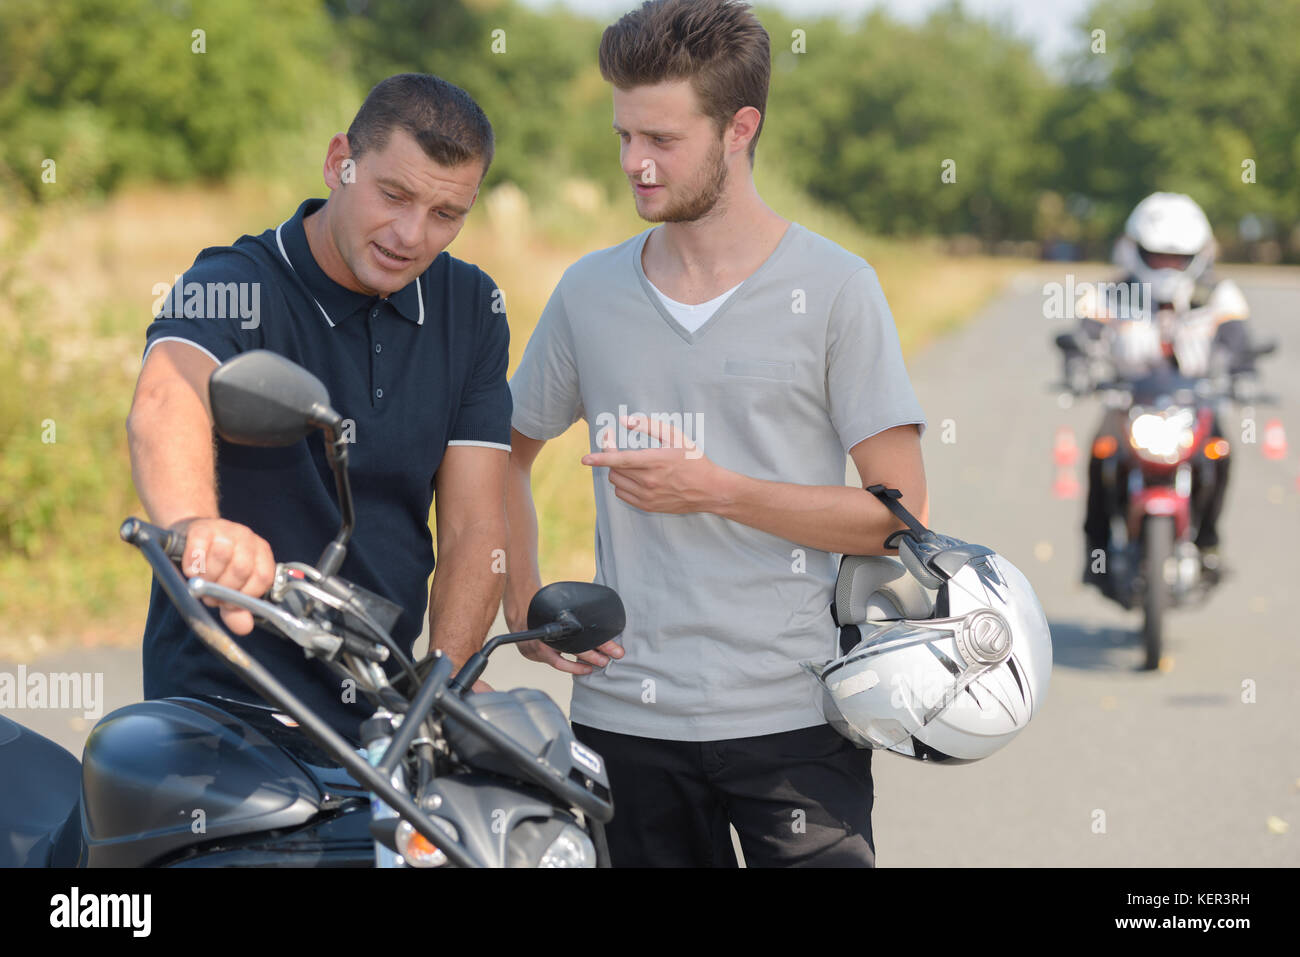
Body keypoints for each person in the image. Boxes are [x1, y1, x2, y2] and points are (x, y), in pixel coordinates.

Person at [504, 0, 928, 867]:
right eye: (623, 136)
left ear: (740, 128)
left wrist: (717, 491)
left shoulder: (839, 288)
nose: (635, 163)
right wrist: (525, 597)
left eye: (661, 139)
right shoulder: (589, 294)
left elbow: (900, 515)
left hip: (798, 723)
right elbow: (504, 457)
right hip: (623, 724)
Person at [126, 74, 511, 743]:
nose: (411, 234)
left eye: (447, 214)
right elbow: (167, 397)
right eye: (394, 195)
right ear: (341, 163)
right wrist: (197, 526)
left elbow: (476, 524)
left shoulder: (472, 308)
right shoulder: (233, 281)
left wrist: (442, 683)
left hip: (383, 718)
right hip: (223, 702)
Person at [1075, 192, 1254, 586]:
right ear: (1136, 250)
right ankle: (1097, 551)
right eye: (1158, 256)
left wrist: (1244, 371)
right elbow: (1084, 334)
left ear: (1197, 255)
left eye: (1177, 257)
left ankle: (1208, 542)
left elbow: (1239, 341)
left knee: (1221, 453)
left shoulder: (1218, 295)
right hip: (1128, 403)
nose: (1168, 266)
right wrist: (1078, 363)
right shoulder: (1110, 294)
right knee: (1101, 454)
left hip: (1195, 404)